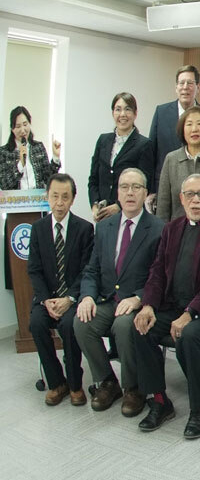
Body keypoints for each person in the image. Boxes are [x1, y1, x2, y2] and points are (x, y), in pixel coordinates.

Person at [129, 174, 200, 438]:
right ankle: (160, 401)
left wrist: (190, 313)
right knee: (141, 327)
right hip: (172, 306)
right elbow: (157, 272)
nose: (196, 200)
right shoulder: (171, 228)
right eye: (190, 194)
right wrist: (148, 306)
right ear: (181, 199)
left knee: (189, 336)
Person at [75, 167, 165, 416]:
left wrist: (138, 297)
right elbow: (92, 269)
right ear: (117, 192)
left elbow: (161, 275)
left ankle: (133, 387)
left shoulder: (158, 228)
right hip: (106, 298)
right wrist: (87, 296)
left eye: (136, 187)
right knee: (82, 322)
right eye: (124, 187)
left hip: (135, 300)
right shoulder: (104, 227)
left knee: (125, 326)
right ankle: (107, 381)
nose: (130, 192)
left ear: (145, 193)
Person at [28, 173, 94, 407]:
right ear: (47, 196)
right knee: (36, 323)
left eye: (65, 197)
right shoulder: (37, 229)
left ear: (73, 199)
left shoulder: (85, 229)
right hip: (46, 299)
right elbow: (34, 270)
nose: (59, 202)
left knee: (68, 325)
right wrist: (46, 300)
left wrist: (70, 297)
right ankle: (57, 383)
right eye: (54, 196)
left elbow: (87, 270)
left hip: (72, 298)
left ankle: (75, 385)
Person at [89, 93, 154, 221]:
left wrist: (118, 206)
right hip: (102, 215)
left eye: (127, 109)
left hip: (128, 213)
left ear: (135, 114)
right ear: (113, 113)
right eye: (118, 109)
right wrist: (94, 205)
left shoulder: (144, 144)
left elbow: (145, 184)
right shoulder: (103, 140)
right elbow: (93, 179)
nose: (122, 114)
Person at [156, 106, 200, 223]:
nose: (194, 129)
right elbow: (163, 202)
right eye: (189, 124)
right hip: (177, 231)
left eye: (199, 124)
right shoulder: (171, 159)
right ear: (182, 129)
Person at [146, 65, 200, 191]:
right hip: (165, 185)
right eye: (181, 83)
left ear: (198, 87)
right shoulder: (161, 112)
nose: (185, 87)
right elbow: (151, 153)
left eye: (190, 83)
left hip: (197, 186)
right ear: (176, 87)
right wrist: (151, 191)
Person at [0, 105, 60, 190]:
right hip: (16, 202)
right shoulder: (4, 152)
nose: (23, 130)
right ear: (12, 129)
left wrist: (56, 157)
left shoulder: (38, 147)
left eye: (25, 124)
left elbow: (49, 179)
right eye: (18, 126)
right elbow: (4, 184)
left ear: (29, 123)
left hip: (38, 201)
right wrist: (21, 164)